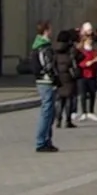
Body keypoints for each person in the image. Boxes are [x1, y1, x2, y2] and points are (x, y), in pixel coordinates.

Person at [31, 21, 60, 152]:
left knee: (49, 111)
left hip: (41, 80)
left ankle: (46, 140)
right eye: (50, 29)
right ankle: (42, 141)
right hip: (46, 81)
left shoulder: (37, 45)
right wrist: (55, 79)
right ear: (46, 30)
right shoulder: (44, 46)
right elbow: (48, 65)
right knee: (47, 112)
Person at [77, 29, 97, 122]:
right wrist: (89, 62)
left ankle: (91, 111)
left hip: (92, 74)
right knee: (83, 94)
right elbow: (80, 63)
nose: (90, 40)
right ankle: (84, 112)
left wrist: (96, 62)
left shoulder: (94, 50)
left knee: (92, 93)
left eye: (91, 39)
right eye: (88, 39)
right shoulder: (81, 50)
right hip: (82, 74)